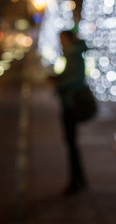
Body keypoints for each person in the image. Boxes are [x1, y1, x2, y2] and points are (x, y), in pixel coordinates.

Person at [51, 30, 89, 195]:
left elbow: (77, 79)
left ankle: (76, 181)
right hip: (70, 102)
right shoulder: (72, 53)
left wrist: (59, 85)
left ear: (67, 39)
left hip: (72, 103)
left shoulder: (73, 54)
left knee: (71, 143)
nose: (60, 42)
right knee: (71, 143)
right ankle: (79, 179)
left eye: (61, 39)